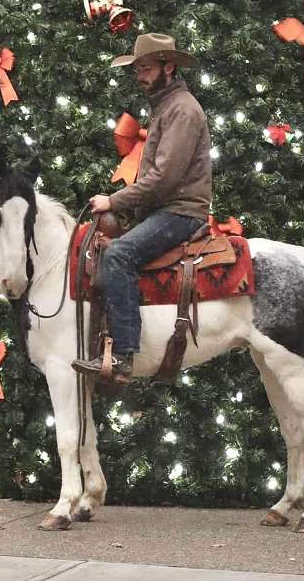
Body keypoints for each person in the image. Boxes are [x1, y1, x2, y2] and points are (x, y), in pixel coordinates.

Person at [72, 32, 212, 383]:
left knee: (119, 254)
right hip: (167, 210)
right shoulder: (168, 107)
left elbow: (164, 178)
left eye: (146, 67)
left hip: (181, 212)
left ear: (168, 66)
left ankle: (123, 357)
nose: (139, 75)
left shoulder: (182, 109)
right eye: (137, 69)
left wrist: (114, 201)